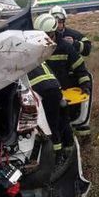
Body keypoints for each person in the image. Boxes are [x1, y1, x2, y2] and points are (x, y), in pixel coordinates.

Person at [27, 14, 74, 168]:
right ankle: (66, 152)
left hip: (46, 92)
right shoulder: (37, 52)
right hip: (55, 89)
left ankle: (57, 158)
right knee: (61, 121)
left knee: (51, 126)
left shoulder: (31, 51)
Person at [48, 6, 93, 136]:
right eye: (55, 22)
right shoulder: (43, 38)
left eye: (60, 21)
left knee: (79, 101)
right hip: (53, 80)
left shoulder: (73, 35)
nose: (58, 25)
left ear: (64, 21)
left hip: (70, 76)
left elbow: (87, 49)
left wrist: (75, 44)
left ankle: (82, 127)